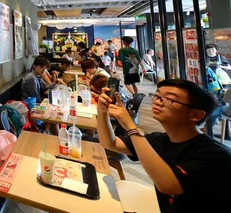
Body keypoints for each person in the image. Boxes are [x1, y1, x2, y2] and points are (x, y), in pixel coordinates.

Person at [97, 79, 231, 212]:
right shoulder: (160, 140)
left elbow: (168, 185)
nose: (158, 102)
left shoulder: (214, 154)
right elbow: (110, 143)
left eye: (170, 99)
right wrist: (102, 112)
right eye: (157, 96)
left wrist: (131, 127)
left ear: (196, 114)